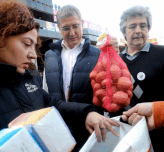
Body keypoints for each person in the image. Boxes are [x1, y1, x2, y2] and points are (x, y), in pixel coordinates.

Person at [0, 0, 120, 151]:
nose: (33, 55)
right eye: (26, 44)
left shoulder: (26, 78)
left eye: (35, 46)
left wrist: (86, 113)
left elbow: (52, 103)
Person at [42, 5, 119, 151]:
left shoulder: (99, 55)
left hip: (89, 129)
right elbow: (45, 91)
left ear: (82, 24)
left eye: (75, 26)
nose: (72, 33)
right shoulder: (50, 55)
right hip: (58, 129)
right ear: (58, 28)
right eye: (66, 28)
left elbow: (109, 95)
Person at [118, 5, 164, 151]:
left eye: (143, 26)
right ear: (124, 31)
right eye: (132, 26)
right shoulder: (115, 61)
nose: (138, 31)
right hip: (126, 137)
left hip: (161, 136)